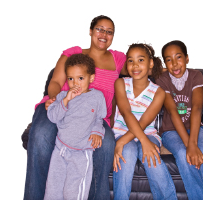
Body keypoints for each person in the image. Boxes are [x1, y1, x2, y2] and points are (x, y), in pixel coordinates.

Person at [24, 15, 127, 200]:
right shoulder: (72, 52)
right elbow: (56, 81)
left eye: (109, 31)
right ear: (90, 31)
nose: (104, 34)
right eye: (99, 29)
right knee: (40, 135)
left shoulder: (118, 59)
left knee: (107, 143)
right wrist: (56, 99)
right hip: (62, 105)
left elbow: (140, 66)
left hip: (94, 117)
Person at [155, 40, 203, 200]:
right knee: (183, 154)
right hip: (170, 131)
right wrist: (189, 146)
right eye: (168, 60)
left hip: (195, 128)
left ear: (187, 58)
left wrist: (193, 143)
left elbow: (197, 108)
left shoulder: (195, 75)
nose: (174, 64)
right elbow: (172, 111)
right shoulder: (162, 79)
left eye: (178, 57)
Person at [112, 43, 177, 200]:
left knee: (151, 156)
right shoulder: (120, 83)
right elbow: (127, 113)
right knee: (126, 152)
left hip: (147, 133)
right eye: (130, 61)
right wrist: (121, 143)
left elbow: (143, 123)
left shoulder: (158, 92)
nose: (135, 65)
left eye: (140, 60)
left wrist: (144, 142)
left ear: (151, 63)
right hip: (122, 132)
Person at [44, 54, 106, 200]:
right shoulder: (63, 96)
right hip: (60, 150)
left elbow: (99, 119)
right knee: (53, 190)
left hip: (81, 153)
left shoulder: (97, 97)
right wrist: (65, 100)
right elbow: (53, 117)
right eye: (71, 78)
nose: (75, 83)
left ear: (90, 78)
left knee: (74, 192)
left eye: (80, 78)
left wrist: (97, 132)